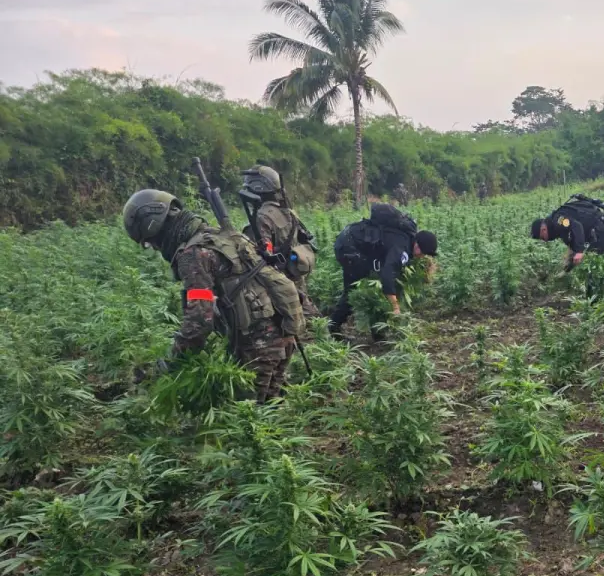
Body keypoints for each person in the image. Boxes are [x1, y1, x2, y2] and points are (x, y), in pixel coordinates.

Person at [121, 189, 304, 402]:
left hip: (258, 344)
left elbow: (199, 321)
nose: (154, 247)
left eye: (151, 242)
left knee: (247, 419)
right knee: (271, 409)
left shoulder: (193, 255)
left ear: (156, 228)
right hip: (281, 332)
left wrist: (171, 362)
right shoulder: (219, 236)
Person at [329, 203, 438, 339]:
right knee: (358, 288)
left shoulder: (406, 238)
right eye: (423, 253)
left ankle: (376, 332)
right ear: (417, 245)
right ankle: (334, 327)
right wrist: (395, 305)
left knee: (373, 285)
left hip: (351, 239)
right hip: (348, 247)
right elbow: (388, 273)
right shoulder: (401, 247)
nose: (422, 256)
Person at [240, 165, 320, 318]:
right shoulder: (287, 211)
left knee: (291, 314)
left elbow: (262, 251)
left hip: (279, 274)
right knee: (304, 305)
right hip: (294, 268)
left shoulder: (262, 217)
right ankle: (322, 336)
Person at [531, 195, 604, 269]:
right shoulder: (557, 224)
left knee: (592, 268)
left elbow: (576, 226)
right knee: (593, 265)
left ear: (543, 229)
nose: (545, 240)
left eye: (543, 237)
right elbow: (573, 238)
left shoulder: (558, 220)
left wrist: (579, 252)